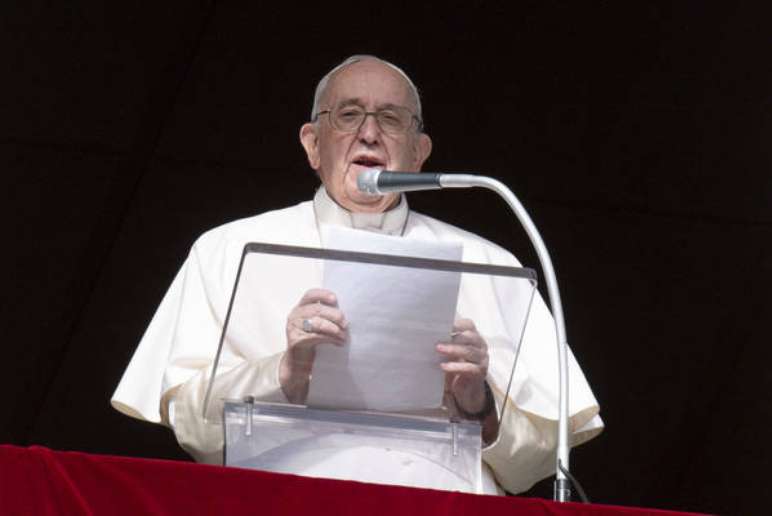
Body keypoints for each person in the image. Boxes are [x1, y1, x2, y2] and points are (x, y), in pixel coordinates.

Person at [111, 55, 603, 495]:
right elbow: (191, 426)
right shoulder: (227, 249)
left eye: (391, 119)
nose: (369, 133)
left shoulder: (492, 266)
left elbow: (543, 455)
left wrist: (479, 405)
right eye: (348, 115)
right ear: (312, 144)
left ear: (420, 151)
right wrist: (285, 373)